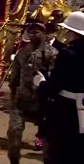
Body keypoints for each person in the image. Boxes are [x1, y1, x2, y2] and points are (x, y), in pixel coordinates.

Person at [7, 21, 58, 164]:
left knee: (48, 135)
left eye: (36, 32)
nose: (33, 35)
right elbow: (14, 78)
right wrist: (13, 95)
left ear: (44, 33)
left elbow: (56, 79)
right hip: (21, 99)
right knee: (14, 131)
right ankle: (14, 159)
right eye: (31, 32)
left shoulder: (52, 53)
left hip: (42, 101)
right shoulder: (22, 53)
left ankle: (48, 159)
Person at [37, 11, 84, 164]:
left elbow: (53, 87)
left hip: (65, 109)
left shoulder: (67, 54)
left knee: (60, 150)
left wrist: (41, 83)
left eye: (68, 31)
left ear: (74, 33)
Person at [33, 22, 67, 151]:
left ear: (53, 33)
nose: (45, 36)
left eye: (47, 33)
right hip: (41, 82)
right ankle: (40, 136)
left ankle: (49, 137)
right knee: (41, 112)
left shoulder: (61, 47)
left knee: (51, 112)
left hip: (54, 84)